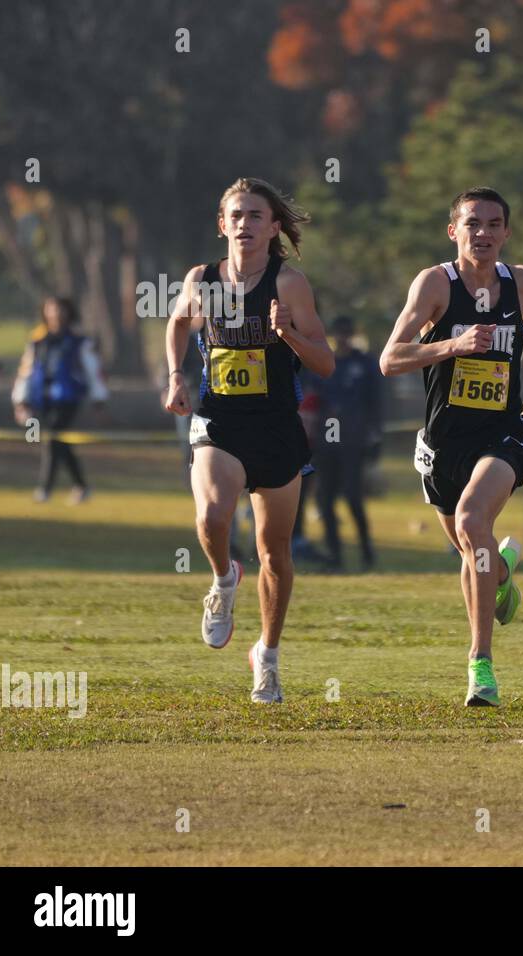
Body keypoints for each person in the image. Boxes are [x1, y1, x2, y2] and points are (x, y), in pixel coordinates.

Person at [380, 187, 523, 707]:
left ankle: (481, 667)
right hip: (441, 441)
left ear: (505, 232)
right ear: (453, 231)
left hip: (501, 434)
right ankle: (500, 573)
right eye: (472, 223)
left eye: (493, 224)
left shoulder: (518, 280)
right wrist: (450, 345)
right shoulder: (436, 284)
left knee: (473, 523)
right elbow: (390, 358)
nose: (483, 233)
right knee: (470, 551)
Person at [163, 176, 335, 702]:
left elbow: (324, 362)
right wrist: (174, 375)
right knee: (212, 517)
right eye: (236, 216)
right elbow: (177, 324)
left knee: (275, 552)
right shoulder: (202, 279)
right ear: (223, 225)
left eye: (255, 216)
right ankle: (222, 580)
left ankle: (268, 656)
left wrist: (288, 334)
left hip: (277, 428)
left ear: (272, 227)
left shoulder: (289, 285)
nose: (245, 225)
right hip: (219, 422)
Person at [11, 296, 109, 504]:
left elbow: (93, 371)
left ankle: (45, 489)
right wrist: (21, 400)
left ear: (68, 312)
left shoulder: (79, 342)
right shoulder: (38, 341)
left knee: (53, 438)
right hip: (43, 399)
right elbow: (26, 371)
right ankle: (81, 487)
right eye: (51, 309)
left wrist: (98, 400)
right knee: (57, 442)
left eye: (60, 309)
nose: (56, 313)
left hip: (68, 398)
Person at [312, 315, 382, 571]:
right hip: (326, 442)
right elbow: (314, 399)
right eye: (338, 333)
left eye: (345, 333)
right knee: (325, 499)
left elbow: (375, 403)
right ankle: (334, 554)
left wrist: (375, 438)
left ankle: (366, 550)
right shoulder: (324, 363)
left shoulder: (364, 364)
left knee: (353, 498)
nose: (341, 338)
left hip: (354, 440)